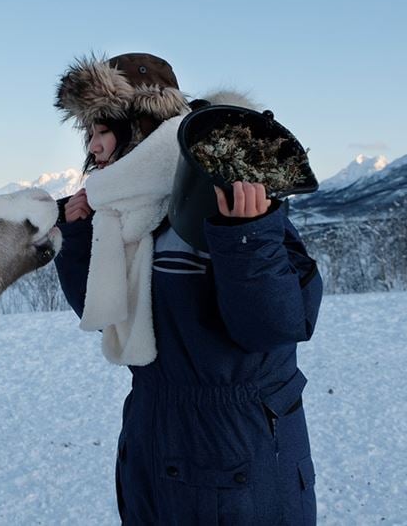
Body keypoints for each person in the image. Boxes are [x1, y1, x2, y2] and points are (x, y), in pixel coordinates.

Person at [53, 53, 322, 525]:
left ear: (140, 122)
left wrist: (249, 236)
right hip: (154, 433)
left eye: (102, 131)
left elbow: (277, 325)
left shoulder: (223, 186)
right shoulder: (122, 213)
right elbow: (107, 314)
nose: (93, 148)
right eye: (89, 135)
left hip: (238, 446)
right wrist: (76, 241)